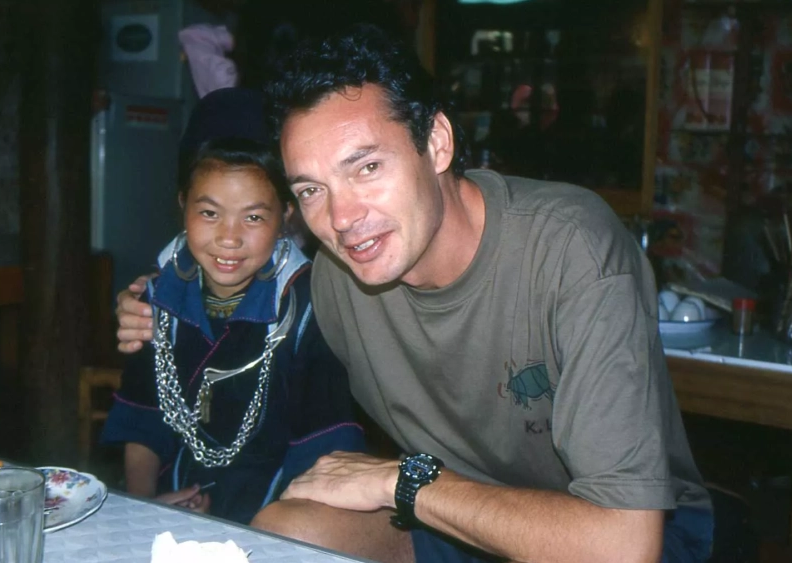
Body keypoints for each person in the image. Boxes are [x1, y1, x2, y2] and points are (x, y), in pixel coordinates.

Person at [116, 25, 713, 563]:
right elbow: (248, 318)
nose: (342, 218)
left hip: (618, 533)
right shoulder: (339, 279)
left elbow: (624, 546)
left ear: (437, 144)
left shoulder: (569, 250)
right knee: (285, 534)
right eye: (312, 189)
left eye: (367, 168)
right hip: (457, 522)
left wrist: (401, 480)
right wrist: (157, 305)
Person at [101, 87, 363, 525]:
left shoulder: (309, 310)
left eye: (254, 217)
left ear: (286, 215)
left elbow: (324, 451)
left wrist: (262, 526)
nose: (228, 238)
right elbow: (142, 418)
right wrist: (144, 508)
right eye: (209, 213)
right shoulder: (158, 300)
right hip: (175, 507)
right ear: (182, 205)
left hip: (284, 514)